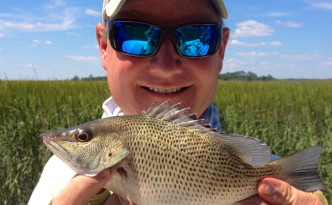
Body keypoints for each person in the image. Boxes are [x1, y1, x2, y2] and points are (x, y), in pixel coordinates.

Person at [29, 0, 328, 204]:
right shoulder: (59, 179)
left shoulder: (269, 172)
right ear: (104, 46)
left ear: (221, 50)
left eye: (197, 37)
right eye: (134, 34)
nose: (165, 66)